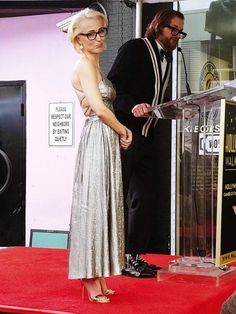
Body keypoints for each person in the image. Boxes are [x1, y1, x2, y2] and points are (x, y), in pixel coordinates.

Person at [108, 9, 186, 278]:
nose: (177, 36)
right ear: (157, 26)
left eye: (180, 32)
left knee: (144, 197)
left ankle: (134, 257)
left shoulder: (169, 60)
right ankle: (111, 258)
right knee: (119, 196)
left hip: (148, 137)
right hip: (125, 135)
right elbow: (112, 88)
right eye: (172, 30)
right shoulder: (135, 48)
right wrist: (133, 106)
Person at [67, 8, 132, 303]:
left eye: (101, 31)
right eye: (90, 33)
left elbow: (93, 103)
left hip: (103, 138)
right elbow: (100, 107)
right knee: (93, 204)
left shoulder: (96, 68)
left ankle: (99, 274)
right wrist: (123, 130)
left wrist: (94, 108)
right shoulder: (84, 66)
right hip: (98, 138)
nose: (98, 37)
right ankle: (88, 276)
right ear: (78, 39)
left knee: (104, 202)